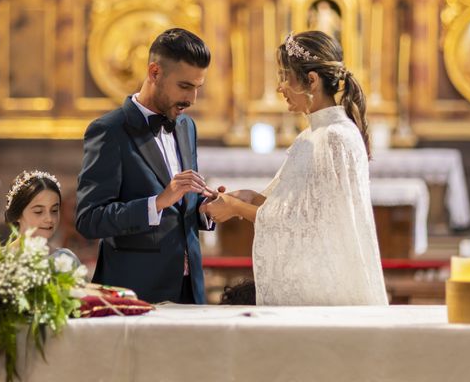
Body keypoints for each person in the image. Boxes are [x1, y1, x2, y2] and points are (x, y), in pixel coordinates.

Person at [202, 30, 388, 306]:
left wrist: (236, 208)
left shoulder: (333, 137)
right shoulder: (313, 135)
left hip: (323, 289)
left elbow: (306, 223)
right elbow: (293, 204)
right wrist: (251, 197)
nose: (280, 87)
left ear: (311, 81)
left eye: (284, 77)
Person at [76, 28, 215, 304]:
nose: (192, 99)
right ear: (154, 73)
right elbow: (89, 220)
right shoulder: (109, 131)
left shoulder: (187, 126)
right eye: (185, 86)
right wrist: (157, 202)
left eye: (197, 88)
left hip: (191, 292)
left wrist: (204, 207)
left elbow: (181, 207)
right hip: (136, 294)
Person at [5, 170, 80, 267]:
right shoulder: (1, 260)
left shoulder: (67, 260)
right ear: (18, 214)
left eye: (54, 210)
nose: (49, 219)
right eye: (38, 211)